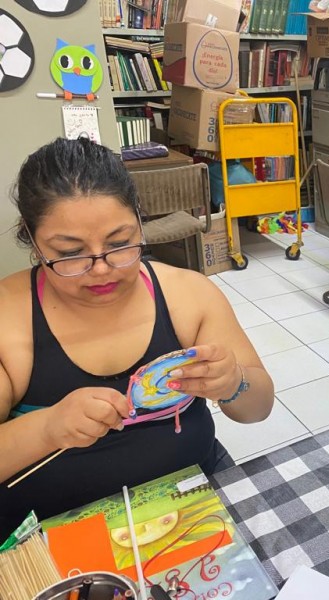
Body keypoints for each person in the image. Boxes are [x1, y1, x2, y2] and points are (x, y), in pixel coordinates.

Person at [0, 138, 274, 539]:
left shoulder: (189, 295)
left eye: (119, 243)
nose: (102, 269)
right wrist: (47, 429)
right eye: (71, 252)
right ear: (34, 242)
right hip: (52, 537)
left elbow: (258, 408)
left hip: (192, 508)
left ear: (140, 223)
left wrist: (234, 383)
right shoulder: (9, 319)